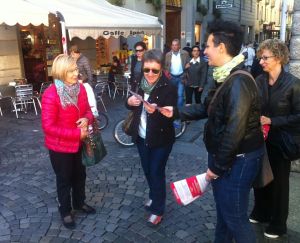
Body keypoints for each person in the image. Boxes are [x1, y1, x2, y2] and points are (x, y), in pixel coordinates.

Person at [173, 20, 264, 243]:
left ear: (221, 47)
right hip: (229, 160)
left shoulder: (238, 82)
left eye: (208, 46)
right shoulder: (225, 75)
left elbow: (235, 131)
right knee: (225, 215)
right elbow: (207, 108)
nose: (204, 51)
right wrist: (174, 112)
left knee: (235, 219)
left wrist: (216, 166)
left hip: (237, 161)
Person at [249, 39, 300, 239]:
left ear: (278, 58)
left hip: (282, 141)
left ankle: (278, 223)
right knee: (260, 177)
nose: (261, 61)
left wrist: (273, 120)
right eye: (261, 57)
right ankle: (261, 212)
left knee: (279, 183)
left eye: (265, 57)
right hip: (261, 140)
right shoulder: (259, 80)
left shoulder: (294, 84)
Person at [41, 54, 96, 229]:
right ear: (61, 72)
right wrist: (75, 134)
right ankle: (65, 211)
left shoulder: (80, 89)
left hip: (79, 143)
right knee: (64, 179)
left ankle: (79, 203)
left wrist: (87, 120)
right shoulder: (51, 94)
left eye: (76, 69)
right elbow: (48, 126)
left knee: (80, 176)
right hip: (60, 147)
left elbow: (88, 111)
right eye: (71, 71)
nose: (76, 73)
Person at [125, 49, 177, 226]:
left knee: (156, 172)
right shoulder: (139, 81)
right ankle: (154, 196)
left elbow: (172, 115)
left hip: (162, 139)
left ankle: (158, 209)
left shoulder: (169, 86)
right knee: (147, 170)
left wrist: (156, 112)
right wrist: (129, 102)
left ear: (161, 69)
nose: (150, 74)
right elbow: (131, 101)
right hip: (141, 136)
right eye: (146, 70)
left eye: (155, 70)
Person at [164, 38, 190, 108]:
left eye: (176, 45)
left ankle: (179, 112)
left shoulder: (185, 53)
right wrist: (167, 73)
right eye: (173, 45)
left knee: (180, 94)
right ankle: (173, 109)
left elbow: (189, 62)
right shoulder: (168, 55)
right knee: (172, 94)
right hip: (171, 77)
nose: (174, 46)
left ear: (179, 46)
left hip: (181, 77)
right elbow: (165, 66)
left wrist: (188, 65)